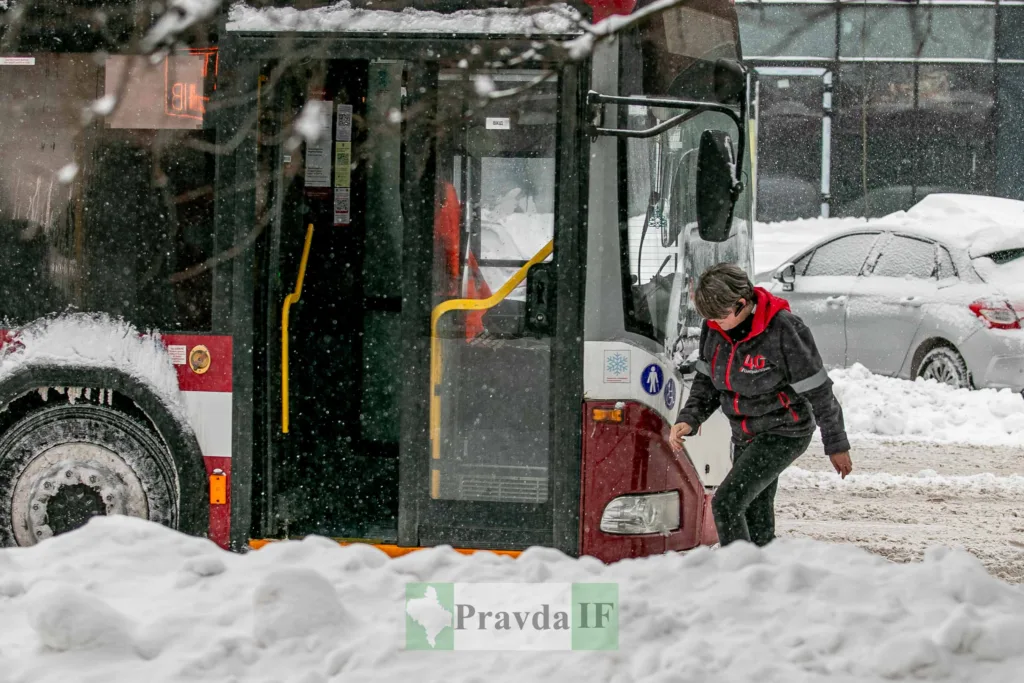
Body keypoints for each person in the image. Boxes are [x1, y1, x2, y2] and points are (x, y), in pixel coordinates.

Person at [669, 263, 853, 547]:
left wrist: (836, 443)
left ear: (742, 304)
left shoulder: (783, 330)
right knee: (756, 519)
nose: (714, 324)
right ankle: (762, 571)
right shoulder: (713, 329)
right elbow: (706, 382)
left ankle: (740, 574)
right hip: (745, 433)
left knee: (727, 503)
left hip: (785, 430)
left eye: (719, 317)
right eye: (709, 319)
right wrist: (690, 418)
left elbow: (819, 390)